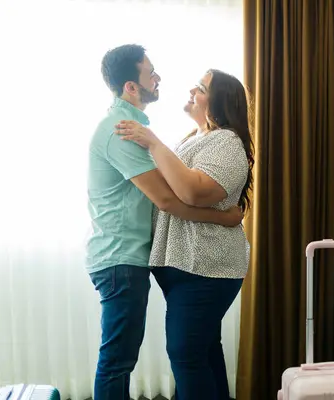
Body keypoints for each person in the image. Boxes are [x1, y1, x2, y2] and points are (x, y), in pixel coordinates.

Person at [86, 45, 243, 400]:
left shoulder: (148, 132)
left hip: (144, 261)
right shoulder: (123, 130)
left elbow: (182, 188)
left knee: (181, 354)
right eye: (151, 73)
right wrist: (225, 218)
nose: (159, 79)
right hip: (120, 259)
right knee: (119, 361)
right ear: (131, 86)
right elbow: (169, 199)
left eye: (200, 88)